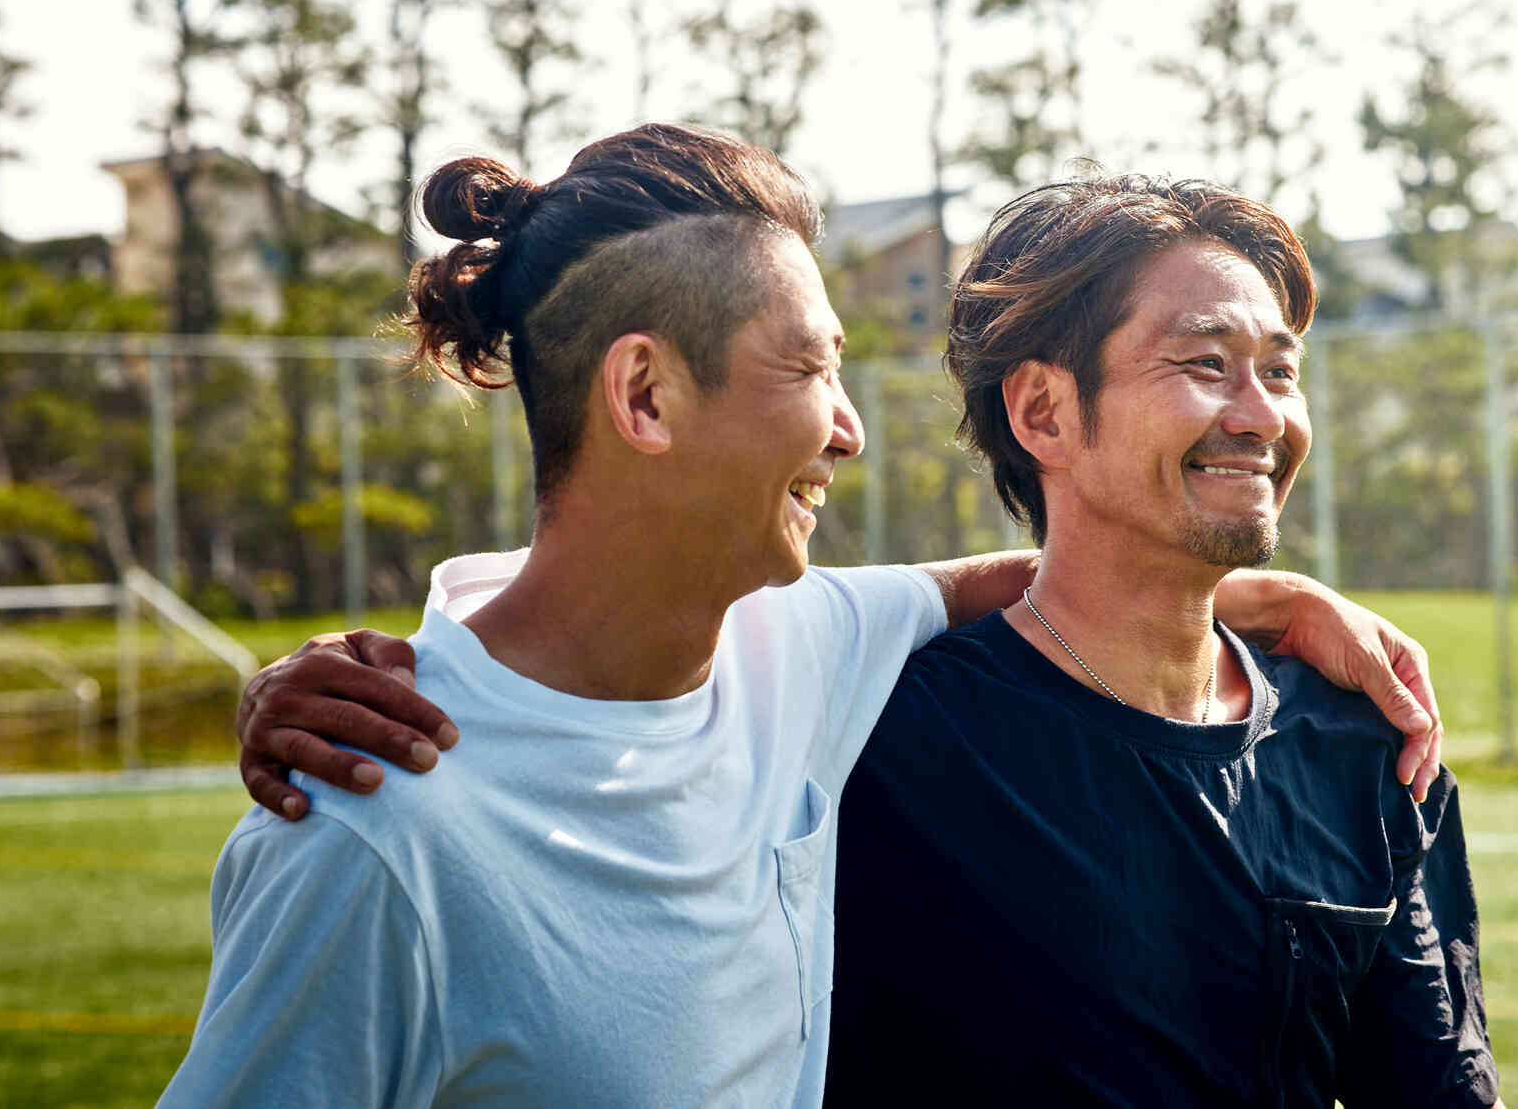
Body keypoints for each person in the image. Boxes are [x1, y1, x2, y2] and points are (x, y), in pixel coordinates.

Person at [167, 124, 1444, 1109]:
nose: (850, 428)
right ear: (646, 398)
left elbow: (1034, 577)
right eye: (808, 368)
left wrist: (1254, 592)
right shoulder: (369, 829)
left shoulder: (802, 645)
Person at [825, 177, 1500, 1105]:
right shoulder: (882, 743)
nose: (1262, 415)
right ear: (1043, 414)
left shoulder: (1366, 741)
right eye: (1205, 365)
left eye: (1280, 371)